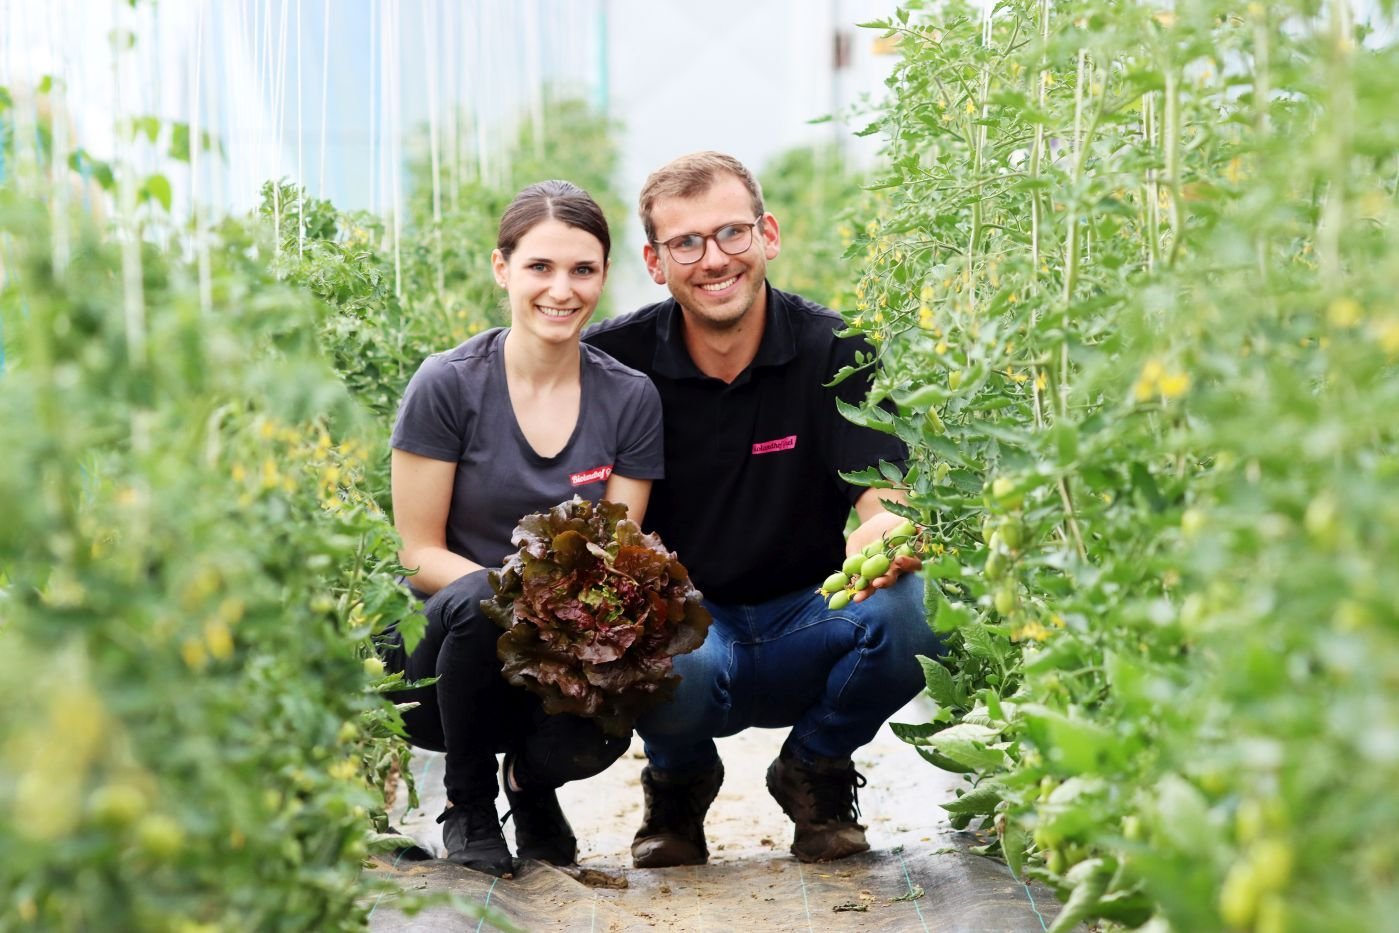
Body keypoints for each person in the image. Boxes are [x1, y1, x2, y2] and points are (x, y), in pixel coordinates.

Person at [583, 151, 942, 866]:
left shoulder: (833, 349)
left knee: (915, 609)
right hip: (688, 632)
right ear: (655, 263)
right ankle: (678, 779)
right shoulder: (613, 361)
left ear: (767, 235)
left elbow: (882, 500)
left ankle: (814, 766)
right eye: (686, 243)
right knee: (636, 632)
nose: (714, 259)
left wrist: (885, 528)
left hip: (805, 621)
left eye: (731, 234)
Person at [379, 180, 665, 877]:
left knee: (606, 717)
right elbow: (416, 553)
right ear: (501, 268)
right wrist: (516, 591)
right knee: (480, 602)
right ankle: (468, 804)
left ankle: (531, 785)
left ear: (603, 274)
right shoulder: (447, 384)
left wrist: (570, 617)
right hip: (439, 660)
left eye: (582, 269)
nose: (560, 289)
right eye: (539, 266)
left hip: (556, 646)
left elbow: (616, 552)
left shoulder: (628, 397)